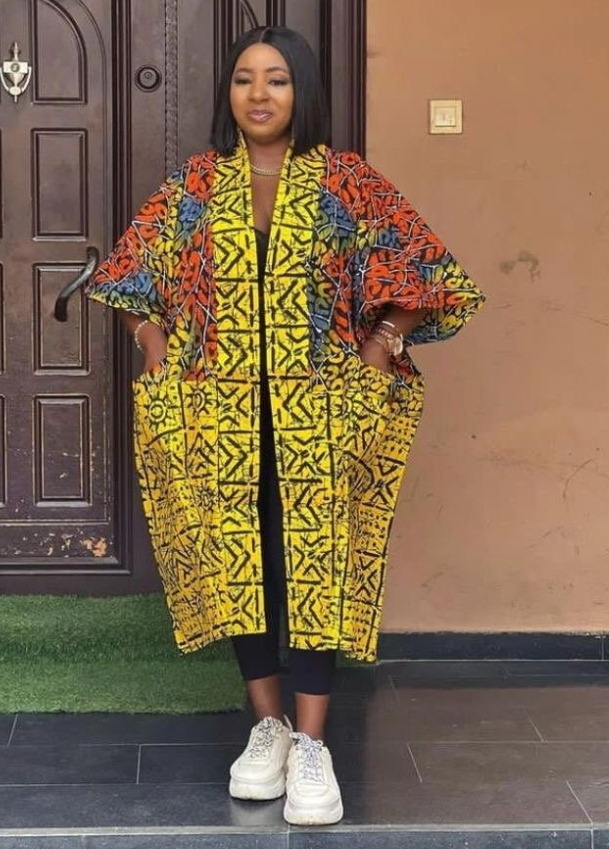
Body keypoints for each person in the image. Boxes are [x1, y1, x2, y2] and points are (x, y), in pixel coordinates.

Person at [85, 26, 484, 826]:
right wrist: (153, 344)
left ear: (302, 89)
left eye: (276, 78)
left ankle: (311, 745)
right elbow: (129, 273)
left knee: (313, 563)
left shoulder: (344, 183)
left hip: (321, 418)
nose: (258, 94)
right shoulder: (198, 186)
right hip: (218, 416)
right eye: (244, 79)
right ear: (228, 93)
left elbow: (430, 272)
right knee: (243, 563)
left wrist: (380, 341)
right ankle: (266, 726)